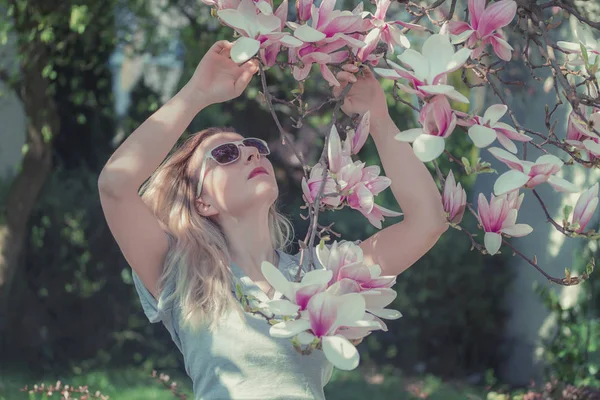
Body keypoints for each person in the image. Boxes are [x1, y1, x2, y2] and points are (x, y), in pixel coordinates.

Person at [98, 39, 447, 400]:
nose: (250, 152)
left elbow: (427, 223)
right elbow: (115, 185)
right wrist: (197, 93)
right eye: (226, 153)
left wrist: (379, 117)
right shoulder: (183, 275)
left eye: (254, 147)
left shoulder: (320, 275)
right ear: (201, 202)